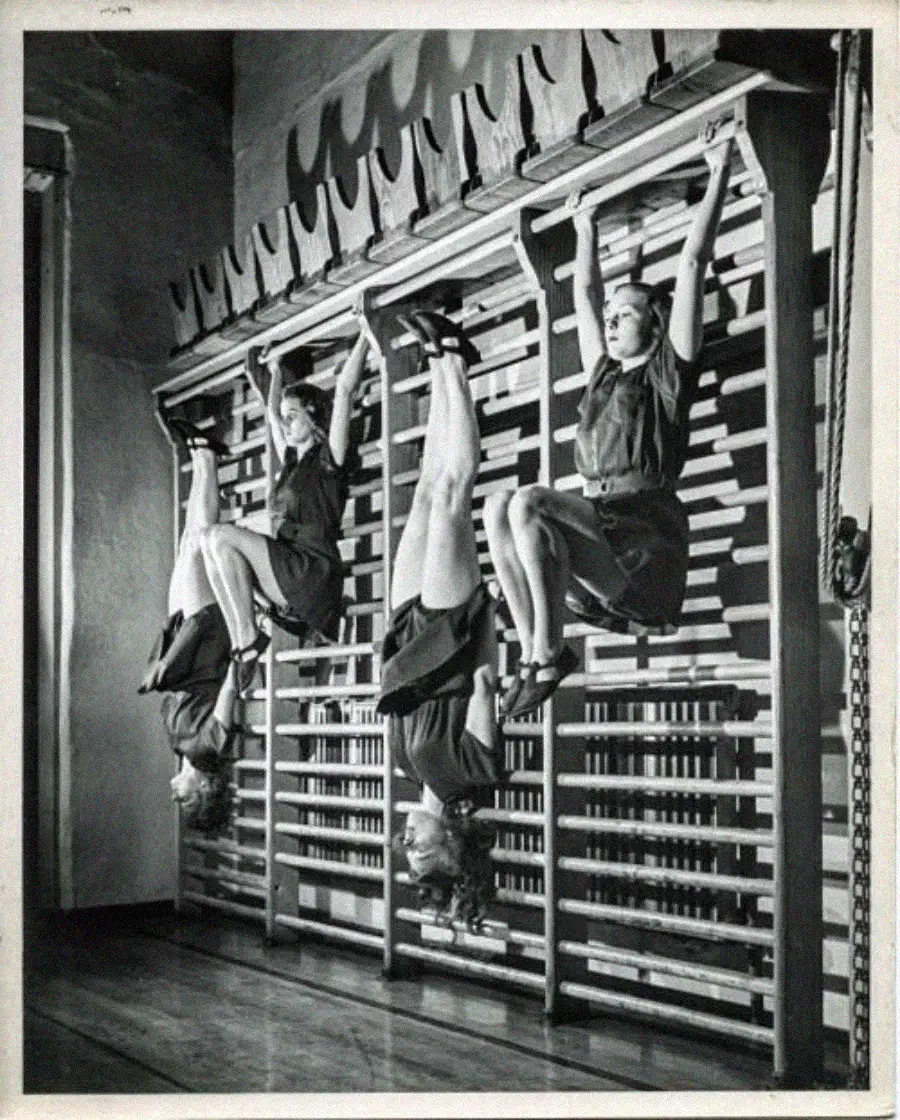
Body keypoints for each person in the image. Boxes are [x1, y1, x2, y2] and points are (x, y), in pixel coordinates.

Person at [484, 136, 735, 718]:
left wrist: (719, 170)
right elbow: (585, 294)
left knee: (529, 502)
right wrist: (585, 225)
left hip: (644, 546)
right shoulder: (602, 373)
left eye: (627, 314)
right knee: (499, 507)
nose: (614, 321)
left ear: (656, 325)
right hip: (602, 533)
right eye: (612, 315)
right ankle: (535, 653)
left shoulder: (669, 372)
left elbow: (692, 264)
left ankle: (548, 654)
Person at [377, 310, 502, 928]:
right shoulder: (475, 776)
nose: (408, 842)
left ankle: (436, 365)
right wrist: (484, 612)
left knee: (426, 492)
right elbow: (484, 680)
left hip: (406, 641)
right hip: (448, 635)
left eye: (407, 852)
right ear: (454, 840)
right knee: (455, 493)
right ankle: (456, 362)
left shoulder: (410, 771)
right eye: (422, 851)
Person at [199, 328, 370, 691]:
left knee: (219, 535)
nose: (286, 422)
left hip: (313, 570)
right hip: (289, 567)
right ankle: (242, 640)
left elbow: (344, 390)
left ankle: (248, 638)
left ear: (313, 416)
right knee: (210, 542)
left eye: (293, 415)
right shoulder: (291, 463)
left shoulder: (330, 459)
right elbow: (271, 413)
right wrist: (273, 371)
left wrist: (366, 334)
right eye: (286, 416)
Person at [139, 430, 238, 834]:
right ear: (204, 790)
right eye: (183, 799)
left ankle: (202, 456)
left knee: (186, 545)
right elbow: (230, 690)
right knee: (197, 546)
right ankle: (209, 458)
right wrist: (240, 648)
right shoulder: (211, 749)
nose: (172, 794)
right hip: (205, 650)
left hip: (182, 654)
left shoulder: (180, 747)